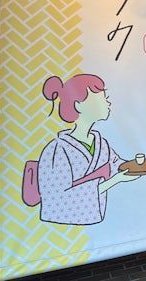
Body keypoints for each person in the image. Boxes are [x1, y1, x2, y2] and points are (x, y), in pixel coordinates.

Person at [37, 74, 137, 225]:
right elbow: (57, 198)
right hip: (66, 227)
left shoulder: (101, 143)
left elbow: (118, 165)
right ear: (78, 105)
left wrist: (142, 165)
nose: (108, 102)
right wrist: (116, 180)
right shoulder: (56, 150)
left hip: (102, 221)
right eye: (101, 98)